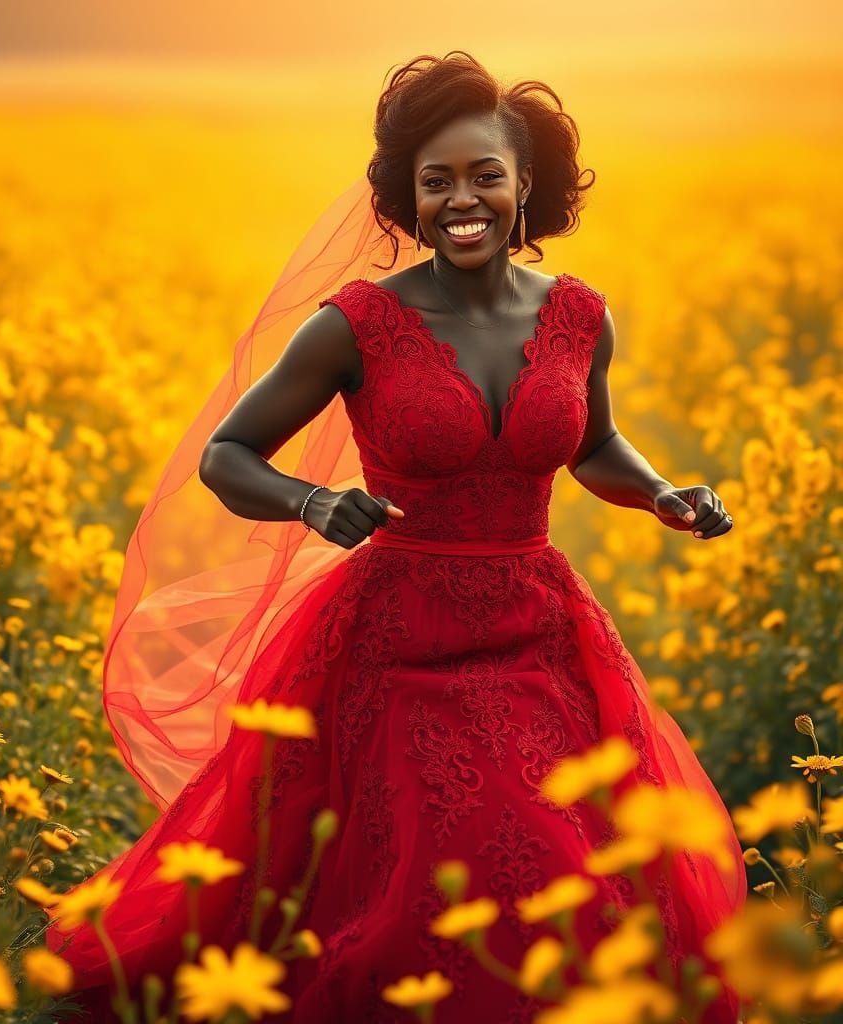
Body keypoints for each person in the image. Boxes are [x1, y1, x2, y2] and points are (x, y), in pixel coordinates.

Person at [46, 51, 748, 1023]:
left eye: (484, 176)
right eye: (435, 181)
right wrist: (309, 502)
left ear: (525, 185)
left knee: (573, 866)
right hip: (396, 644)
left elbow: (592, 446)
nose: (461, 200)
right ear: (403, 197)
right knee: (432, 868)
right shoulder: (355, 325)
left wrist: (663, 493)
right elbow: (228, 454)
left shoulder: (580, 315)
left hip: (540, 631)